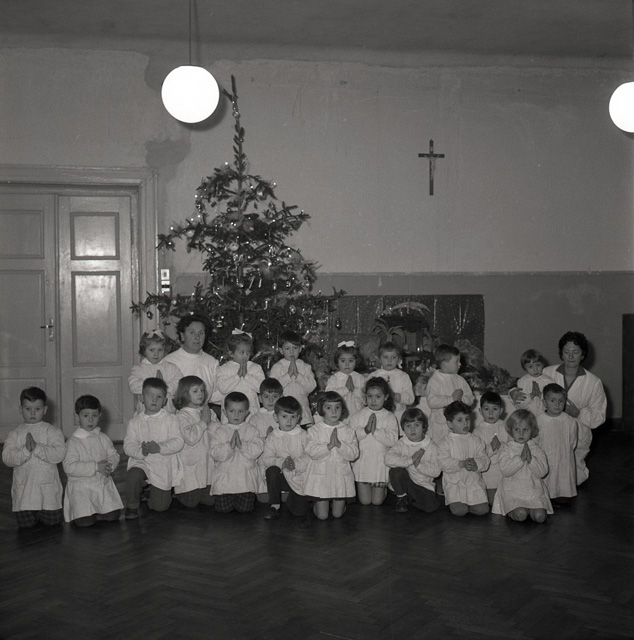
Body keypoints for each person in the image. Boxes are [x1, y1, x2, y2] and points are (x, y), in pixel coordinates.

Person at [542, 331, 606, 485]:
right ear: (561, 353)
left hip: (577, 434)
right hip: (548, 431)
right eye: (567, 352)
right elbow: (529, 392)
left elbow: (599, 416)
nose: (571, 356)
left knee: (572, 480)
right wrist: (514, 392)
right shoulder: (547, 373)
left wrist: (578, 413)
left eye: (575, 352)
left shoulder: (593, 382)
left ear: (582, 354)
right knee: (546, 475)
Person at [2, 387, 66, 528]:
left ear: (45, 409)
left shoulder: (53, 431)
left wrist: (38, 448)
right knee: (26, 526)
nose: (32, 413)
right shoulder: (14, 434)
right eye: (28, 409)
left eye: (37, 409)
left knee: (53, 523)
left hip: (47, 491)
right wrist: (25, 451)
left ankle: (44, 513)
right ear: (21, 409)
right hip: (24, 491)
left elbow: (60, 454)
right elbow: (7, 458)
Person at [123, 377, 184, 519]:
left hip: (162, 464)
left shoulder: (170, 420)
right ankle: (132, 505)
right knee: (133, 476)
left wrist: (160, 448)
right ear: (142, 398)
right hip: (142, 461)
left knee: (159, 507)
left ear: (165, 401)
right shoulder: (135, 422)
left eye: (159, 397)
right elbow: (128, 445)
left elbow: (178, 442)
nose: (154, 400)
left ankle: (153, 492)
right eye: (150, 395)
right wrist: (141, 451)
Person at [62, 395, 123, 526]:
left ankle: (99, 511)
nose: (90, 420)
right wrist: (95, 467)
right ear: (77, 416)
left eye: (94, 415)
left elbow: (113, 454)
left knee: (113, 516)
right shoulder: (73, 442)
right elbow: (69, 467)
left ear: (99, 415)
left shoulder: (103, 438)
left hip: (100, 485)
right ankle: (85, 513)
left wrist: (110, 465)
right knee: (85, 522)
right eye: (86, 415)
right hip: (82, 487)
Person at [304, 391, 359, 520]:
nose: (334, 412)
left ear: (342, 409)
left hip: (340, 477)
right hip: (321, 477)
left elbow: (354, 454)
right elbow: (311, 451)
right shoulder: (314, 430)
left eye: (337, 407)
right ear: (321, 409)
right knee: (322, 516)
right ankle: (317, 504)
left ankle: (338, 506)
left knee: (337, 514)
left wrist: (340, 445)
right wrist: (328, 446)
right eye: (328, 408)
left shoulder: (348, 431)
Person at [492, 410, 552, 523]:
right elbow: (505, 470)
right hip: (513, 492)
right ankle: (512, 511)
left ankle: (531, 508)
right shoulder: (507, 448)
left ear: (532, 430)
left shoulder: (537, 449)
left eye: (525, 430)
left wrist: (531, 460)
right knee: (521, 515)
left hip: (533, 491)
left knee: (540, 517)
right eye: (517, 429)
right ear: (511, 430)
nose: (521, 433)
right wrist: (520, 459)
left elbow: (542, 472)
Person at [209, 391, 264, 513]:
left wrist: (242, 445)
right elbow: (214, 453)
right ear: (225, 412)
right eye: (232, 411)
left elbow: (257, 450)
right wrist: (230, 447)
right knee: (223, 510)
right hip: (225, 481)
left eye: (240, 411)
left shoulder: (251, 430)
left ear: (247, 412)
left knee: (245, 509)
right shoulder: (220, 431)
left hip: (244, 481)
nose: (236, 415)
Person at [349, 377, 399, 506]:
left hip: (379, 464)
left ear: (385, 397)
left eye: (378, 396)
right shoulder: (357, 416)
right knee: (365, 501)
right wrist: (365, 430)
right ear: (365, 397)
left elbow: (393, 440)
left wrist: (375, 431)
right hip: (363, 463)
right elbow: (350, 438)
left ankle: (384, 488)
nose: (373, 400)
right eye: (370, 396)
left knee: (377, 502)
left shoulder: (389, 417)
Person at [261, 396, 310, 520]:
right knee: (271, 470)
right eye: (284, 416)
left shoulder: (303, 435)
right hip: (281, 476)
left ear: (298, 418)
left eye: (293, 417)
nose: (289, 421)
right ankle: (274, 505)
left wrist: (295, 464)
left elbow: (309, 456)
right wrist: (282, 463)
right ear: (275, 417)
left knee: (299, 513)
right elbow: (267, 458)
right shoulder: (272, 437)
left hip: (299, 477)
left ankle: (294, 498)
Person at [437, 401, 489, 517]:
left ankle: (473, 503)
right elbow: (442, 462)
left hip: (473, 481)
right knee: (460, 511)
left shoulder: (476, 440)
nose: (465, 423)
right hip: (455, 483)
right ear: (450, 424)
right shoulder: (445, 442)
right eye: (460, 420)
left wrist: (476, 464)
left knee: (482, 510)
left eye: (467, 419)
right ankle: (457, 503)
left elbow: (484, 459)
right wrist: (461, 463)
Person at [172, 376, 217, 508]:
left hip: (207, 465)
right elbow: (191, 438)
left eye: (202, 390)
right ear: (185, 393)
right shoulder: (181, 416)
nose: (200, 394)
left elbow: (218, 432)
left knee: (210, 501)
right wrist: (203, 422)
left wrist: (211, 423)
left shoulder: (208, 412)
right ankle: (179, 493)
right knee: (191, 503)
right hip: (191, 467)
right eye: (195, 391)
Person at [384, 408, 441, 514]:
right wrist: (410, 460)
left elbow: (436, 472)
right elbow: (387, 458)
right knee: (396, 471)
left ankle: (410, 499)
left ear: (424, 427)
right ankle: (402, 497)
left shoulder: (432, 446)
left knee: (431, 507)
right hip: (406, 481)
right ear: (403, 428)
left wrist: (418, 465)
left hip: (423, 485)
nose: (412, 429)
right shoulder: (401, 443)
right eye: (408, 426)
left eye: (417, 425)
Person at [162, 314, 220, 407]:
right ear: (182, 336)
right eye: (192, 332)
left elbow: (217, 394)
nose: (197, 337)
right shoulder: (169, 361)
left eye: (201, 333)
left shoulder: (212, 362)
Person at [535, 384, 578, 503]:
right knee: (547, 481)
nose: (557, 404)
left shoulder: (569, 421)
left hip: (564, 456)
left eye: (561, 401)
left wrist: (564, 452)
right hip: (546, 456)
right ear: (544, 402)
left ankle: (563, 494)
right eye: (552, 401)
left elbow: (572, 441)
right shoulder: (539, 421)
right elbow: (535, 441)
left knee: (563, 479)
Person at [427, 344, 474, 445]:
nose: (460, 364)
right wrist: (451, 399)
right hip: (440, 426)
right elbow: (432, 401)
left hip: (459, 425)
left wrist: (461, 400)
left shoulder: (460, 380)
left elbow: (470, 398)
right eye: (456, 361)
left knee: (458, 446)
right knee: (441, 448)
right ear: (444, 364)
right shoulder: (435, 380)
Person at [269, 330, 317, 426]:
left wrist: (298, 376)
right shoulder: (278, 367)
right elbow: (273, 388)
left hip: (303, 415)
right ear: (281, 350)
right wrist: (288, 375)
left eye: (295, 348)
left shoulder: (305, 367)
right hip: (284, 414)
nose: (291, 352)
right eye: (287, 348)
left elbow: (311, 387)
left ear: (300, 349)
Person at [128, 330, 182, 413]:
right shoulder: (139, 369)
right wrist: (154, 385)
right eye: (152, 350)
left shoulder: (171, 367)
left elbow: (179, 384)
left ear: (165, 351)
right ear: (144, 351)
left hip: (167, 412)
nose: (156, 354)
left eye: (160, 350)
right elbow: (133, 386)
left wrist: (163, 387)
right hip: (146, 414)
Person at [216, 330, 265, 421]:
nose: (245, 356)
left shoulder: (255, 367)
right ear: (231, 353)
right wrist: (237, 376)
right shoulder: (224, 369)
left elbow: (261, 388)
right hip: (231, 415)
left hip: (251, 412)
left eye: (248, 352)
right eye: (242, 353)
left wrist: (246, 376)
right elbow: (223, 388)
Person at [473, 390, 509, 505]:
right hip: (488, 474)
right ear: (480, 411)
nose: (491, 413)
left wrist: (501, 446)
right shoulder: (478, 431)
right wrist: (491, 448)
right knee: (493, 502)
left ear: (501, 411)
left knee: (506, 500)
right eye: (486, 409)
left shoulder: (506, 427)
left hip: (504, 471)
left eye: (495, 409)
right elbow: (477, 454)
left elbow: (513, 447)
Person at [371, 341, 414, 423]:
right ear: (379, 359)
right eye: (385, 357)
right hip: (378, 416)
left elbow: (410, 398)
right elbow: (366, 396)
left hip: (398, 415)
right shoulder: (373, 376)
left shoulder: (403, 376)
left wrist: (395, 396)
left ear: (398, 359)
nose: (389, 360)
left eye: (393, 357)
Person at [325, 341, 366, 415]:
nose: (347, 364)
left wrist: (354, 390)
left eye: (351, 361)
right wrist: (345, 389)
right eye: (343, 361)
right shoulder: (334, 378)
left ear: (356, 361)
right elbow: (329, 397)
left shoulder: (360, 378)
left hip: (357, 414)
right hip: (339, 416)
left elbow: (365, 399)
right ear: (337, 362)